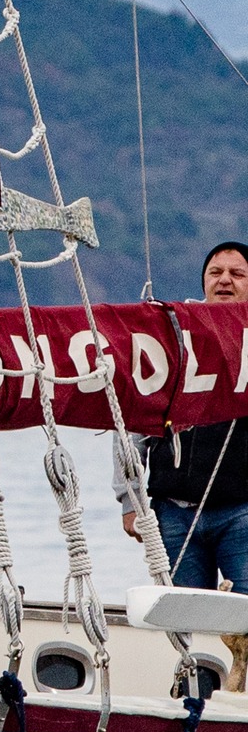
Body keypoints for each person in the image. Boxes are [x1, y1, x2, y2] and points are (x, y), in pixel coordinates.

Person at [116, 241, 248, 588]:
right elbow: (131, 419)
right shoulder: (171, 335)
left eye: (237, 274)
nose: (224, 280)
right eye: (215, 272)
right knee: (182, 614)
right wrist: (130, 499)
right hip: (173, 511)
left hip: (242, 513)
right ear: (204, 280)